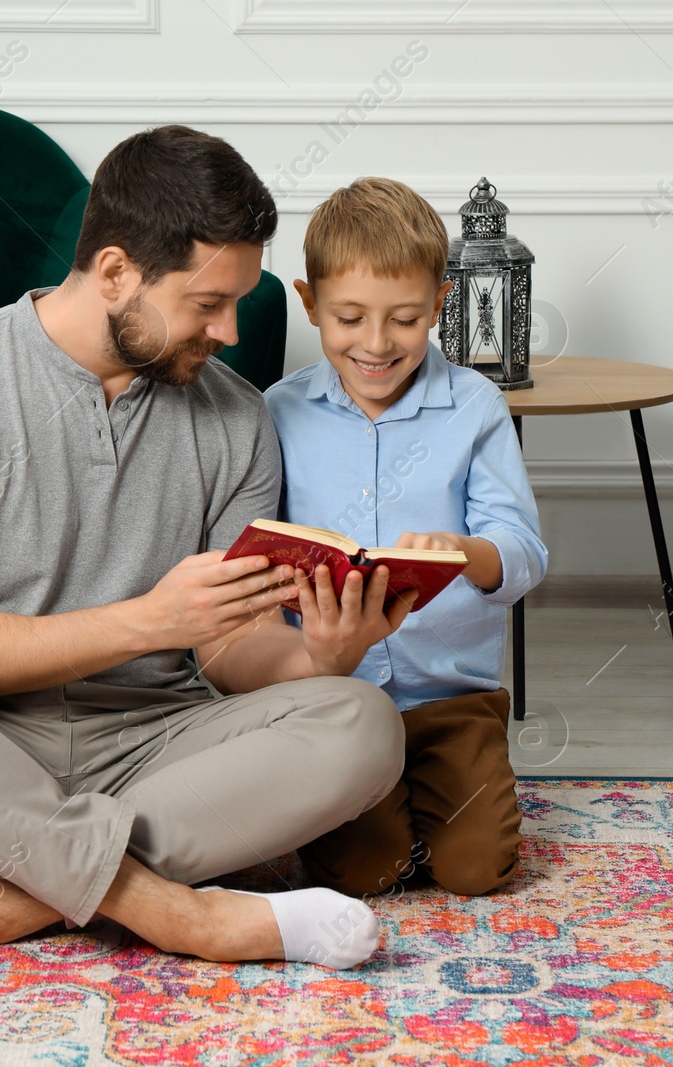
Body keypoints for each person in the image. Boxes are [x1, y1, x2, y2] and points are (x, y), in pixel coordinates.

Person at [0, 126, 424, 973]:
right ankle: (179, 913)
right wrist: (147, 620)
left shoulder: (235, 419)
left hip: (163, 751)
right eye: (208, 304)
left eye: (238, 301)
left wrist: (321, 655)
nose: (232, 331)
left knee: (363, 724)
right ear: (117, 271)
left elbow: (228, 649)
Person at [264, 177, 548, 899]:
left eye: (405, 319)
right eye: (349, 317)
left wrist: (467, 554)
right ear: (310, 304)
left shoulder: (476, 407)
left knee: (476, 872)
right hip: (335, 698)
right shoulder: (277, 412)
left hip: (451, 702)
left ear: (440, 306)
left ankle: (438, 800)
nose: (377, 343)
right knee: (364, 875)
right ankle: (384, 811)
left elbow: (522, 550)